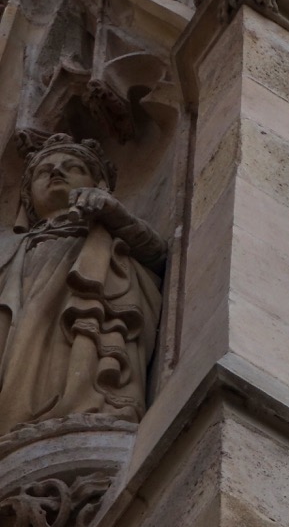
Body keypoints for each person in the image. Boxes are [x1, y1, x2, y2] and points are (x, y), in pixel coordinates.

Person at [0, 134, 165, 436]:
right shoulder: (9, 248)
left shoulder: (108, 234)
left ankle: (86, 404)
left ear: (97, 184)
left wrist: (115, 215)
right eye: (43, 170)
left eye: (72, 167)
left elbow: (157, 255)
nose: (56, 172)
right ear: (26, 197)